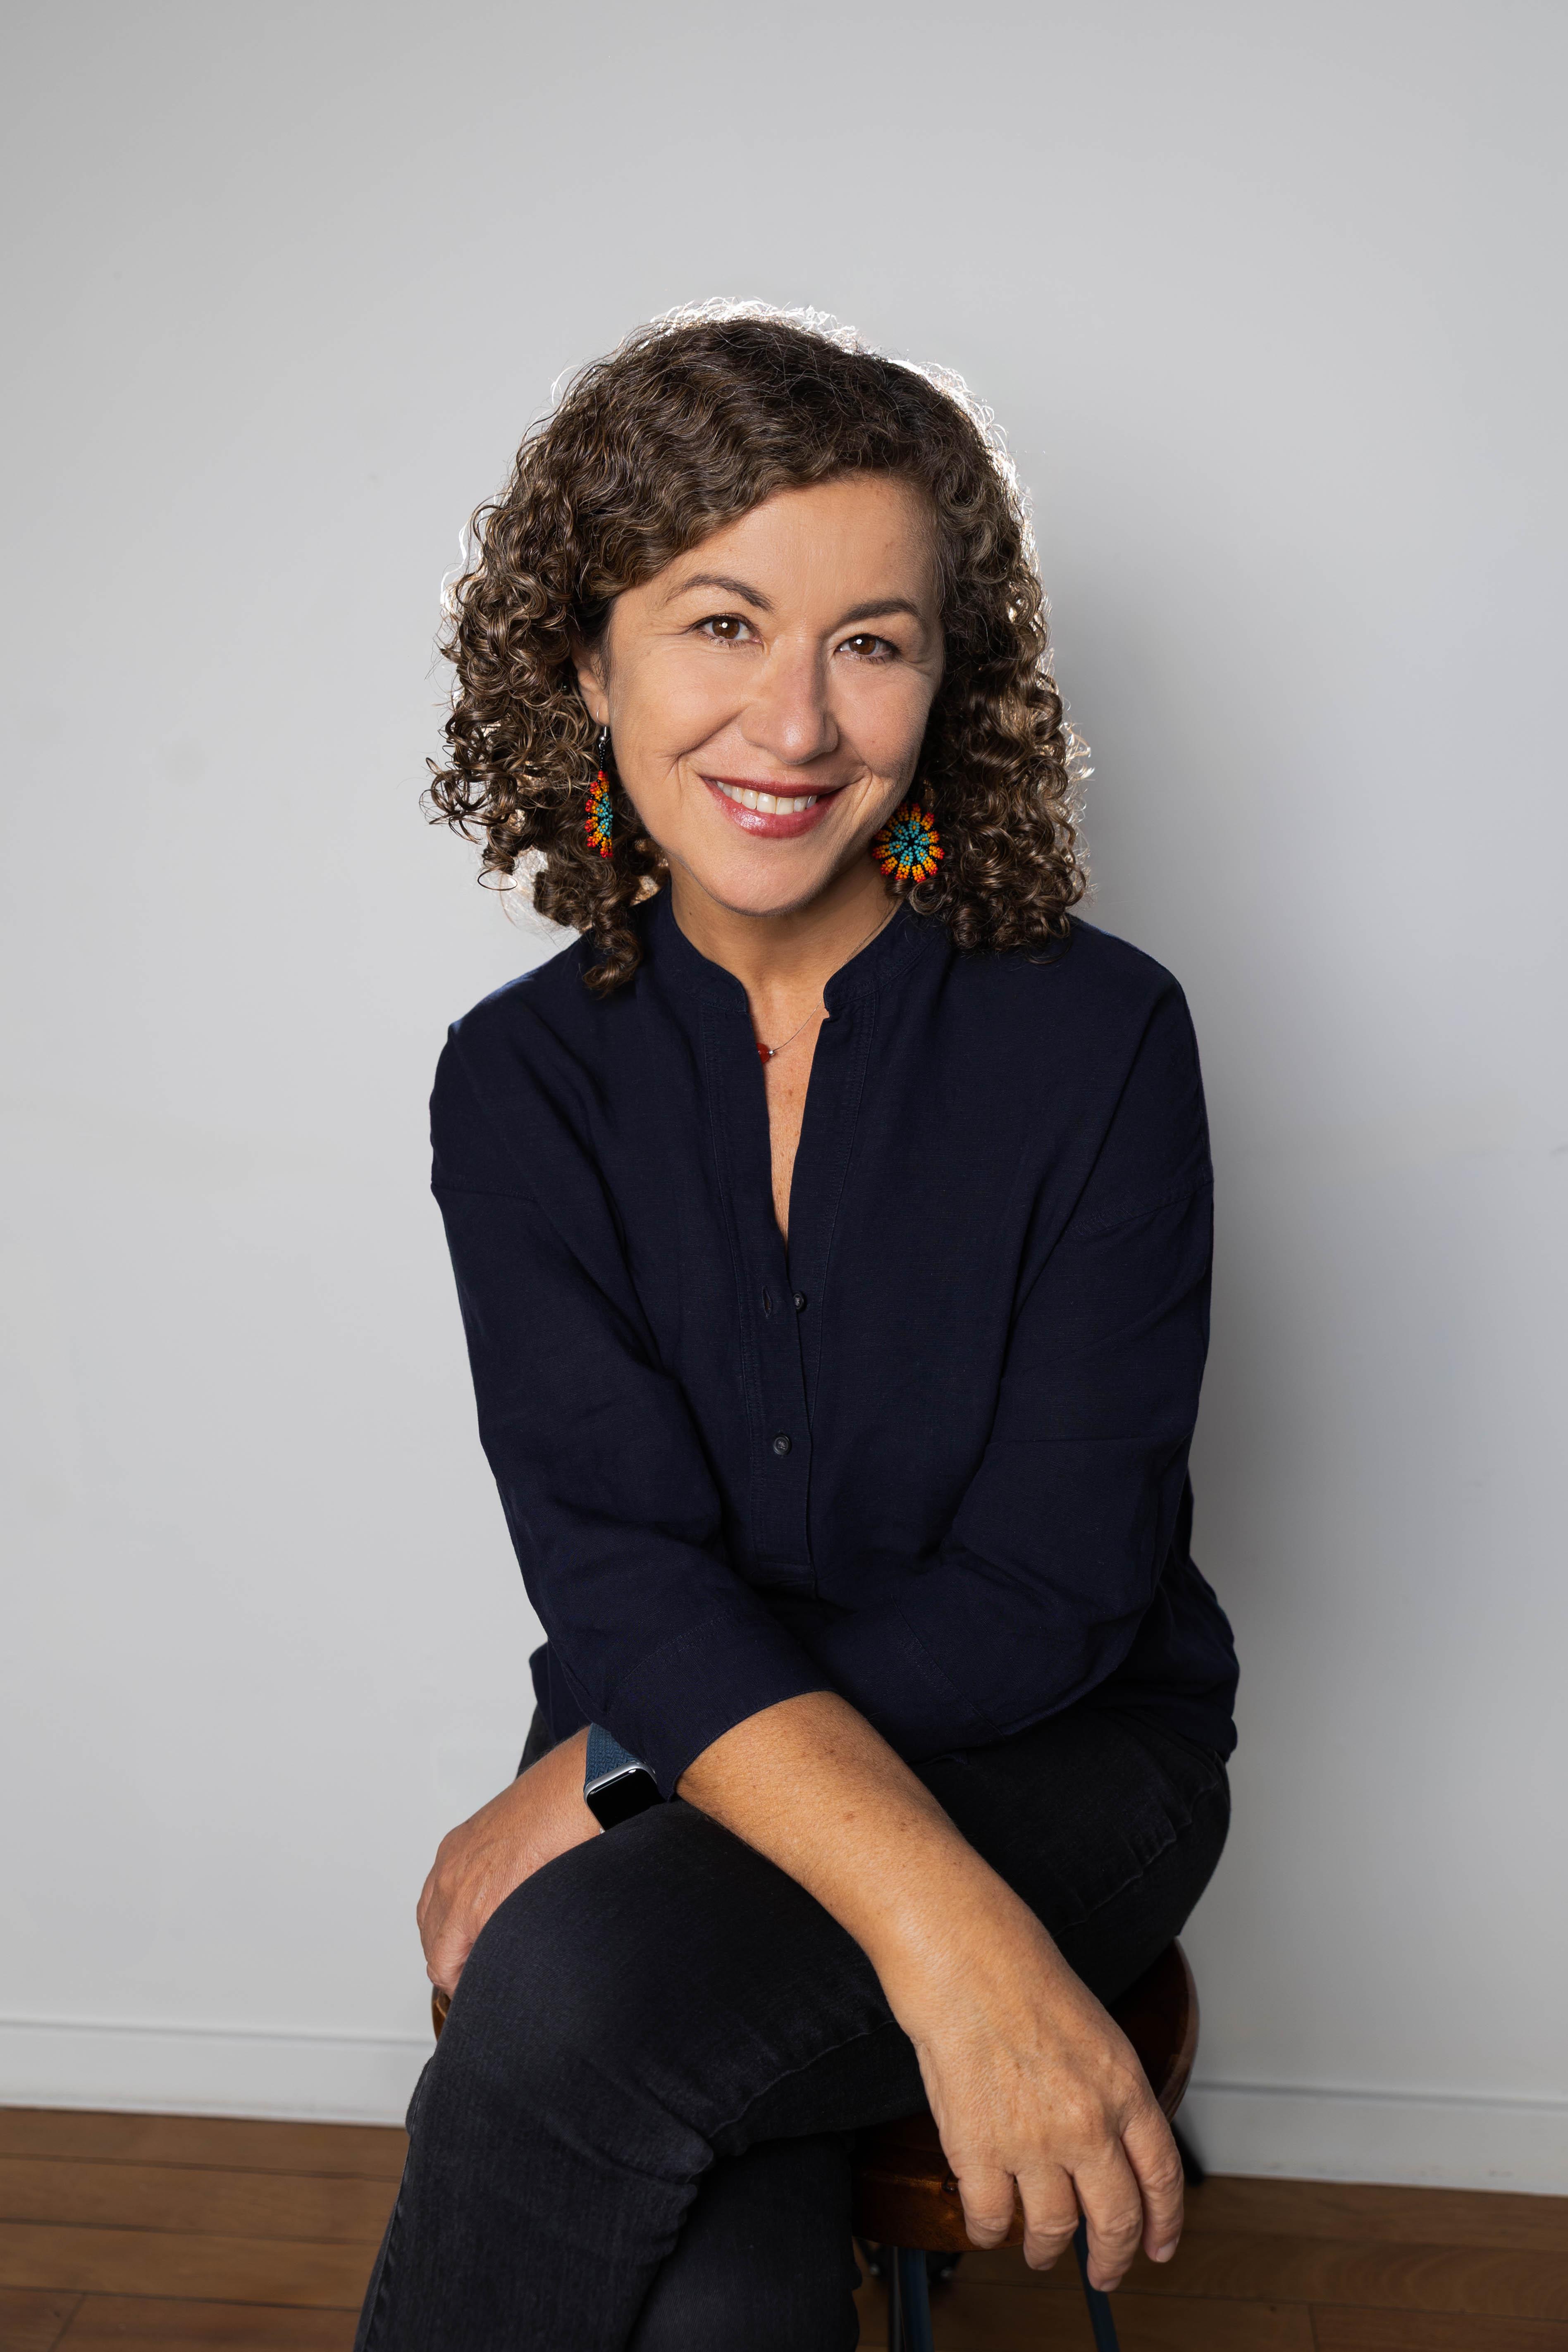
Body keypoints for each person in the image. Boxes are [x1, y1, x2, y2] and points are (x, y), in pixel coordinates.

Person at [355, 303, 1237, 2352]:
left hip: (1057, 1756)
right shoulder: (517, 1082)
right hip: (672, 1730)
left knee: (580, 1994)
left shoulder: (1101, 1035)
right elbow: (616, 1561)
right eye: (722, 623)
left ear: (948, 677)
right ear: (588, 662)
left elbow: (1050, 1589)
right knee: (707, 2296)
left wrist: (634, 1780)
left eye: (872, 642)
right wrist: (880, 1909)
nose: (797, 723)